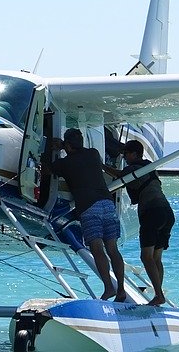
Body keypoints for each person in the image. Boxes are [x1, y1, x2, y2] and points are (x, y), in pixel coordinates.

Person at [50, 128, 126, 302]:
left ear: (67, 145)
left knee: (97, 248)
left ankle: (108, 288)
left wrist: (53, 148)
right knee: (112, 249)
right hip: (107, 204)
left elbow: (48, 169)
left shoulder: (65, 163)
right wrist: (65, 145)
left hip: (89, 207)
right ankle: (121, 289)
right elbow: (78, 152)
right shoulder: (93, 154)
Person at [104, 140, 175, 306]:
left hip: (151, 212)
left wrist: (99, 165)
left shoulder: (133, 168)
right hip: (166, 212)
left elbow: (118, 175)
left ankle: (158, 295)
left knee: (146, 257)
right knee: (156, 258)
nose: (125, 157)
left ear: (134, 154)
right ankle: (158, 294)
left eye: (126, 154)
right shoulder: (149, 166)